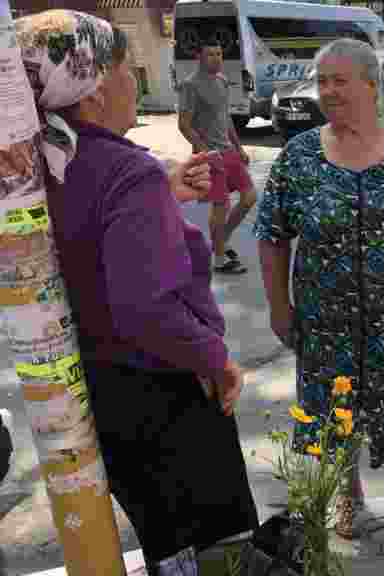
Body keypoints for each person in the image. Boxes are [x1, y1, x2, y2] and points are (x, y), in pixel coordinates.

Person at [15, 10, 258, 574]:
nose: (139, 84)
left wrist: (162, 194)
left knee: (166, 545)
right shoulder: (126, 172)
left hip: (102, 391)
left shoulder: (39, 168)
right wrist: (219, 361)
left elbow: (88, 248)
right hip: (164, 391)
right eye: (129, 70)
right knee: (219, 550)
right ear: (94, 84)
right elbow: (146, 307)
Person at [253, 38, 384, 540]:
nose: (327, 91)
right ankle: (349, 496)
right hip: (326, 318)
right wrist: (279, 306)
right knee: (335, 408)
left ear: (371, 85)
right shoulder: (298, 157)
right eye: (321, 81)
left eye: (338, 80)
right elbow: (272, 236)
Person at [178, 37, 257, 275]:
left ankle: (221, 241)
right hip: (209, 154)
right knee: (220, 206)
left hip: (229, 151)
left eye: (220, 54)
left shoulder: (222, 81)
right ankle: (220, 259)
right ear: (199, 58)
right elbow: (184, 125)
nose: (217, 59)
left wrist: (239, 147)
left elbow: (227, 118)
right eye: (211, 54)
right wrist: (206, 152)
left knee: (249, 197)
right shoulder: (190, 85)